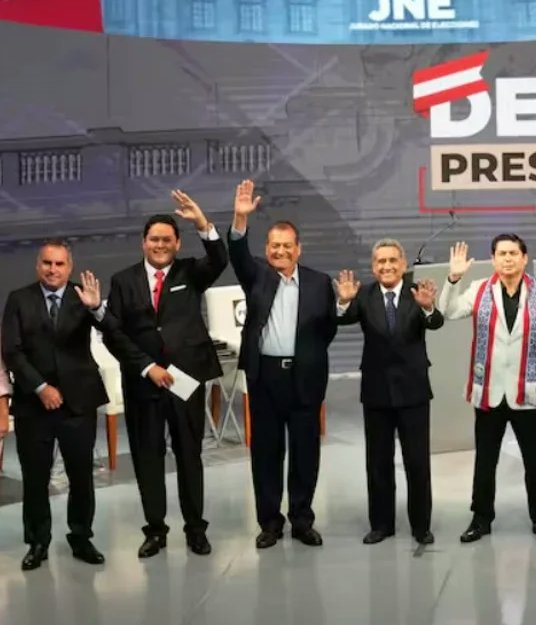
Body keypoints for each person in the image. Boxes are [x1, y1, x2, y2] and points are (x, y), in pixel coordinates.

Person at [103, 190, 227, 558]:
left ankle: (195, 529)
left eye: (167, 240)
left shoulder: (191, 272)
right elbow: (114, 333)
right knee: (147, 456)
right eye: (154, 239)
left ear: (177, 243)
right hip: (144, 382)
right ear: (143, 243)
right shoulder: (123, 281)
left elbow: (219, 259)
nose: (160, 245)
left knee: (189, 453)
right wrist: (147, 367)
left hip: (185, 381)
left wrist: (201, 222)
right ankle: (155, 530)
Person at [228, 179, 338, 549]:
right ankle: (270, 523)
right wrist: (240, 219)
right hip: (266, 378)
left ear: (298, 249)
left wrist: (309, 356)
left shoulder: (320, 282)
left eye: (287, 246)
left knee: (305, 454)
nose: (280, 251)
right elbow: (237, 253)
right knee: (266, 453)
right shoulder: (256, 275)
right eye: (274, 246)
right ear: (267, 249)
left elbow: (327, 329)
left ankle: (302, 520)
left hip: (305, 378)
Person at [438, 236, 536, 543]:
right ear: (493, 259)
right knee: (485, 461)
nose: (507, 259)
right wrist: (453, 278)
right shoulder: (479, 289)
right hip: (489, 391)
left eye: (513, 253)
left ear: (524, 258)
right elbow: (448, 311)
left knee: (535, 462)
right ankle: (480, 519)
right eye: (501, 254)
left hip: (527, 391)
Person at [1, 243, 110, 570]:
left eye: (59, 264)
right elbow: (12, 351)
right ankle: (38, 542)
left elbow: (112, 330)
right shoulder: (19, 299)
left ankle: (81, 537)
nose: (53, 269)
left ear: (69, 266)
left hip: (79, 403)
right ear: (38, 266)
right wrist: (41, 387)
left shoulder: (83, 296)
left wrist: (97, 309)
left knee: (81, 476)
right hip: (34, 406)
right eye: (47, 263)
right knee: (35, 478)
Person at [334, 240, 442, 546]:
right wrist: (343, 302)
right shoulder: (364, 295)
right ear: (373, 267)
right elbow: (342, 317)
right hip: (377, 392)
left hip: (413, 392)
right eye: (381, 261)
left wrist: (428, 307)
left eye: (393, 260)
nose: (387, 266)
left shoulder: (417, 292)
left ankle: (421, 526)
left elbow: (435, 322)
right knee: (378, 463)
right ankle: (381, 525)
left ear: (404, 264)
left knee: (417, 463)